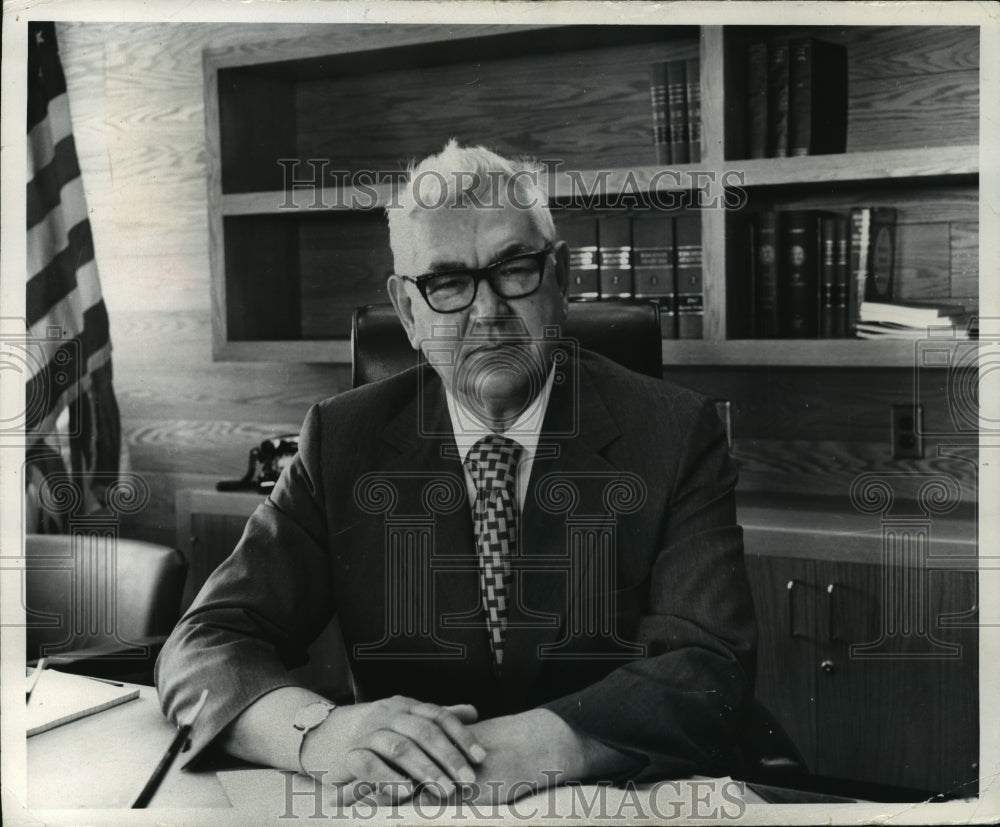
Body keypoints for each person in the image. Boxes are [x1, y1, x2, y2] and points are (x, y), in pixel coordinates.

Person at [155, 141, 757, 805]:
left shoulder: (674, 432)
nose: (488, 310)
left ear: (558, 281)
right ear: (409, 312)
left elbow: (710, 664)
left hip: (610, 799)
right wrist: (319, 732)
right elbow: (205, 644)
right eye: (446, 282)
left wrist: (533, 744)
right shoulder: (341, 439)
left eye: (514, 269)